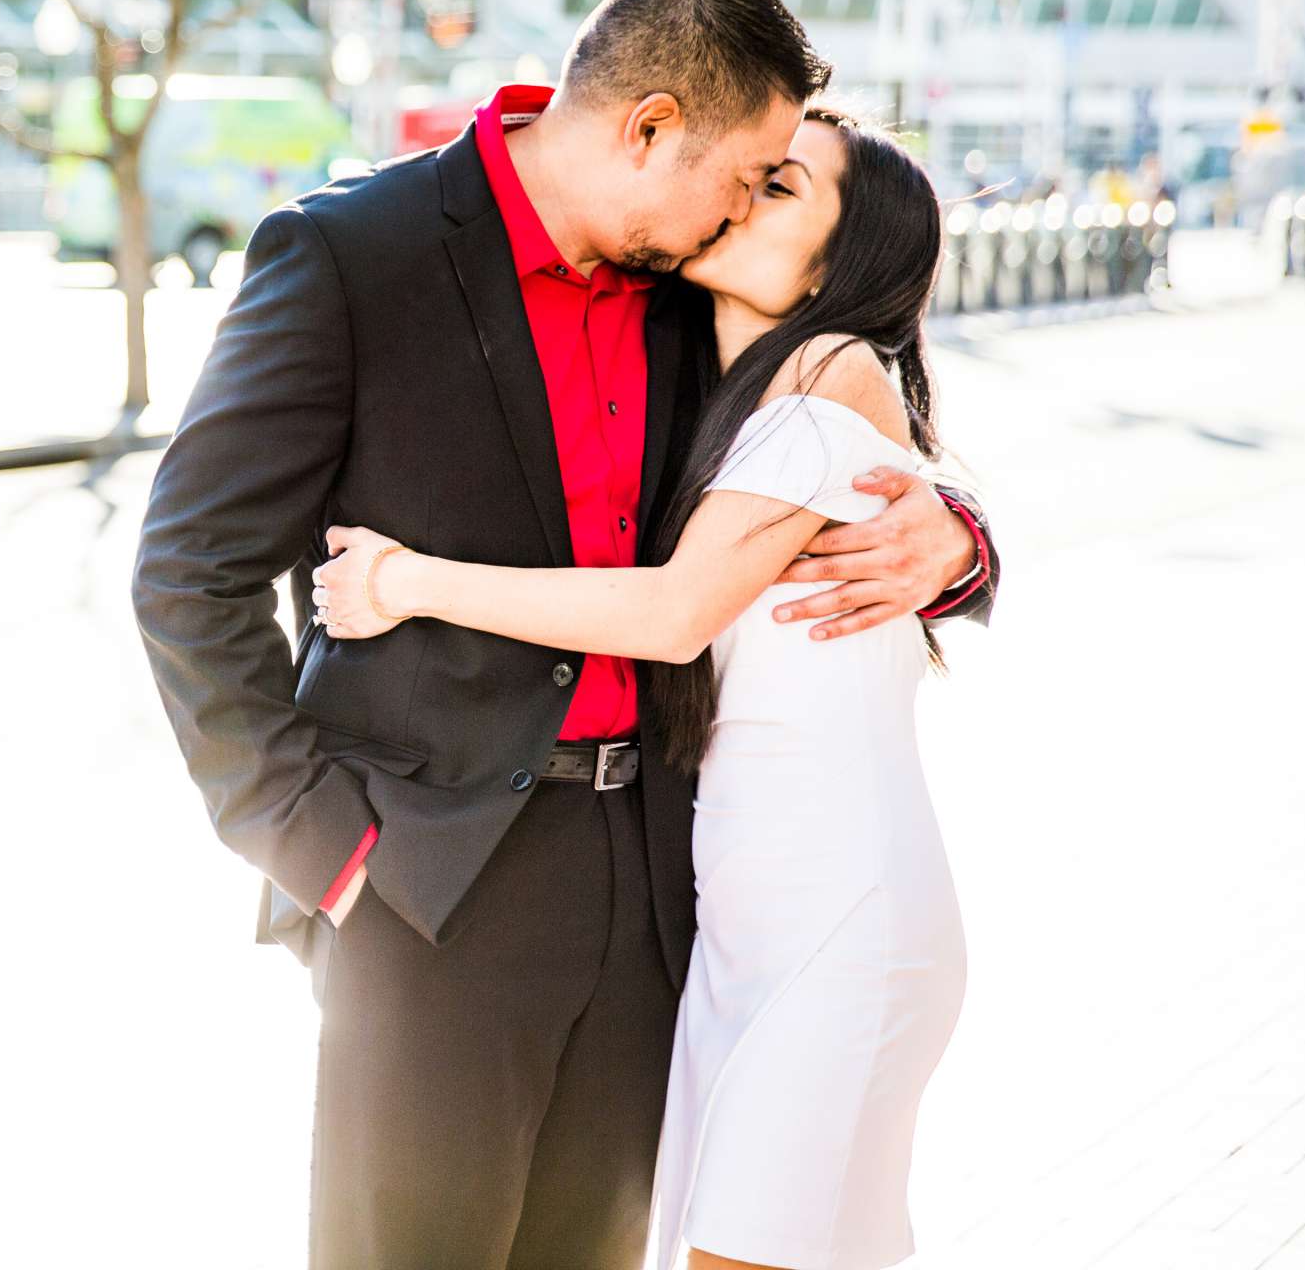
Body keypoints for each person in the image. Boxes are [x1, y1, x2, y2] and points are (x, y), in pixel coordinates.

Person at [129, 0, 998, 1270]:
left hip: (650, 884)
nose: (747, 207)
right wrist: (324, 849)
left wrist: (962, 542)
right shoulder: (353, 257)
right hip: (428, 885)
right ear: (651, 129)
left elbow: (827, 451)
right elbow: (189, 569)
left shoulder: (689, 290)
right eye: (749, 174)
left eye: (777, 185)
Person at [316, 109, 970, 1270]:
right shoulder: (724, 386)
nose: (740, 194)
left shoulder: (833, 369)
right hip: (741, 924)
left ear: (846, 259)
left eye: (781, 189)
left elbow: (670, 612)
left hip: (836, 915)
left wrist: (406, 580)